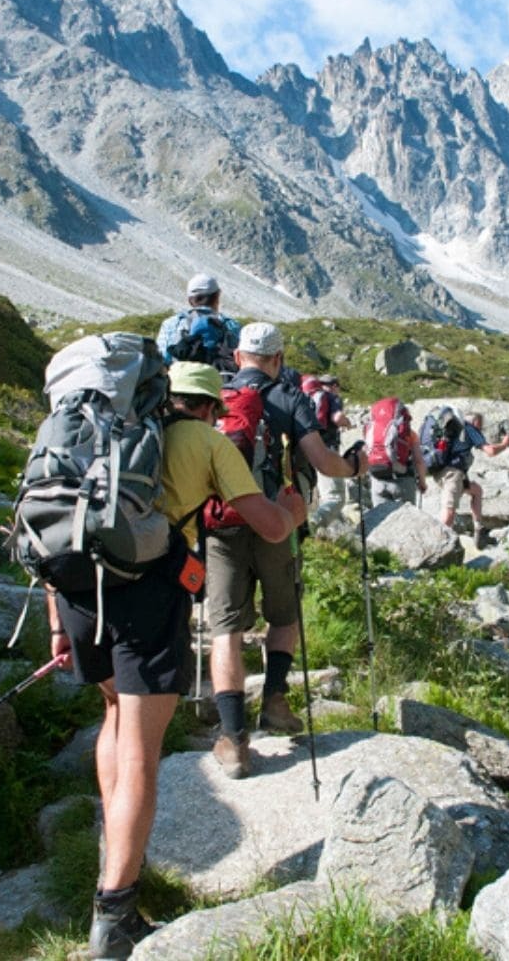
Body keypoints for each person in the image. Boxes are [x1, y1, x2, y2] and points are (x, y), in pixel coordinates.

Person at [46, 361, 304, 958]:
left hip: (78, 591)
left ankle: (115, 858)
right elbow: (269, 527)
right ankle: (115, 913)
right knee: (141, 749)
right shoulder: (206, 441)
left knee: (114, 717)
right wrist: (295, 511)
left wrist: (57, 622)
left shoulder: (106, 430)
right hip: (146, 595)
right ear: (212, 406)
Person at [205, 322, 362, 777]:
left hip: (222, 523)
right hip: (278, 519)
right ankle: (274, 702)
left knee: (225, 629)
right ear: (278, 359)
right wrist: (354, 466)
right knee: (284, 613)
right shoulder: (290, 396)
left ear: (238, 358)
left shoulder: (216, 397)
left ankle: (233, 739)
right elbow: (323, 462)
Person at [422, 409, 509, 546]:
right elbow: (490, 451)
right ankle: (436, 545)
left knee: (476, 491)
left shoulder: (452, 429)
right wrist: (504, 444)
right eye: (480, 425)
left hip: (439, 472)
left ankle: (479, 530)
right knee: (449, 512)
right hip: (453, 474)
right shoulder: (469, 428)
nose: (480, 429)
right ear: (475, 421)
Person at [155, 272, 242, 370]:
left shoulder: (171, 324)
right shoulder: (232, 325)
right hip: (220, 378)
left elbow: (161, 360)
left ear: (190, 300)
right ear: (217, 296)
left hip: (181, 378)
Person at [309, 375, 353, 520]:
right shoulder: (332, 398)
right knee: (335, 497)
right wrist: (347, 423)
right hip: (326, 451)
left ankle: (321, 526)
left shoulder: (309, 396)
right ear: (334, 386)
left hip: (308, 449)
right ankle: (314, 524)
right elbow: (337, 418)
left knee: (317, 495)